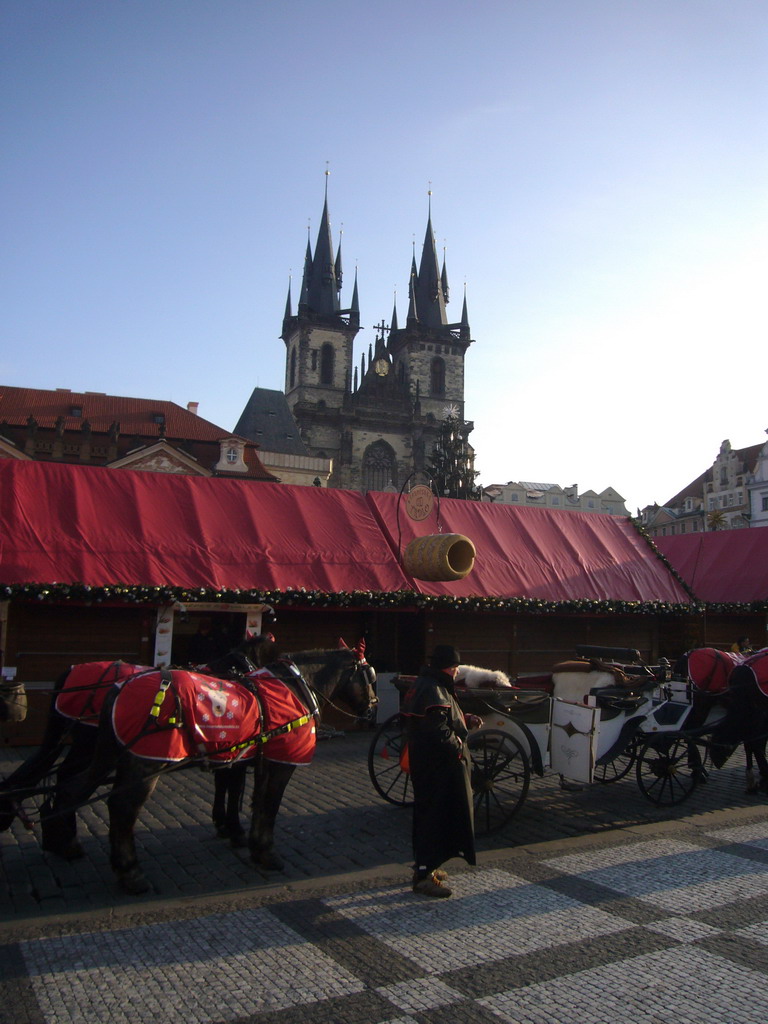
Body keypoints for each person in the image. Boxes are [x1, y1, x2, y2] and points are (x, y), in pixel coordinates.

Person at [401, 644, 481, 898]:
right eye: (455, 668)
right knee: (433, 818)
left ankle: (430, 865)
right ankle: (423, 875)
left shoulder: (429, 684)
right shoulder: (433, 689)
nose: (457, 673)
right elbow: (437, 730)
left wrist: (464, 720)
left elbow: (444, 717)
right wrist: (458, 746)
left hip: (431, 765)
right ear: (448, 668)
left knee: (434, 816)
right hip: (437, 767)